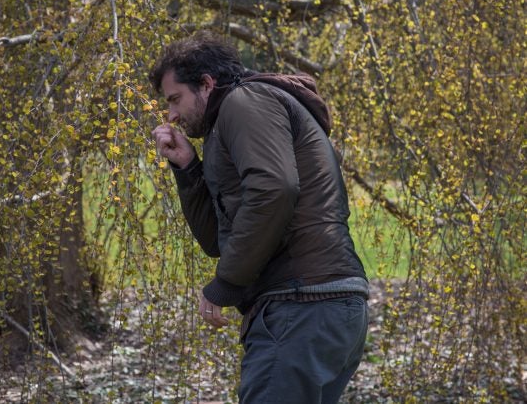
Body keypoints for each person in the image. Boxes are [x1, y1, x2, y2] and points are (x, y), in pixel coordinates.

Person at [150, 31, 369, 403]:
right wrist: (188, 167)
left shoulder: (245, 102)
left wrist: (226, 283)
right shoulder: (232, 121)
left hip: (301, 306)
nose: (171, 114)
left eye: (175, 99)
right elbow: (217, 240)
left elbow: (275, 190)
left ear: (206, 83)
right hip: (321, 307)